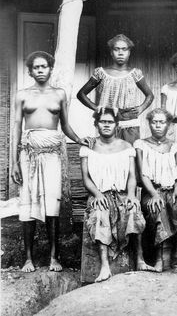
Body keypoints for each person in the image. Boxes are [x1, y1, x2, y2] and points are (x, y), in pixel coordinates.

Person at [11, 51, 90, 273]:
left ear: (50, 68)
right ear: (30, 71)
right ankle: (28, 259)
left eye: (44, 67)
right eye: (36, 67)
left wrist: (79, 139)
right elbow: (17, 127)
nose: (40, 71)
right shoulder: (22, 95)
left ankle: (54, 257)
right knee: (28, 206)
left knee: (52, 205)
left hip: (53, 153)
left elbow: (64, 125)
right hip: (29, 153)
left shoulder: (59, 94)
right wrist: (15, 162)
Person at [80, 107, 155, 282]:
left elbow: (131, 176)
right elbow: (86, 179)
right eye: (102, 122)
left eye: (110, 122)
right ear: (96, 124)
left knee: (134, 210)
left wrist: (131, 195)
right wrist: (98, 195)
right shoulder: (88, 147)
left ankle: (140, 259)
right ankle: (105, 266)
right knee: (99, 214)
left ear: (116, 125)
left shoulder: (126, 146)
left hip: (122, 193)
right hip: (99, 193)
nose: (106, 125)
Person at [134, 108, 177, 272]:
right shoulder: (141, 144)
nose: (158, 125)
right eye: (154, 122)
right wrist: (154, 194)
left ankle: (174, 254)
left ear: (168, 125)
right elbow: (143, 175)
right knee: (158, 209)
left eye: (162, 122)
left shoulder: (175, 147)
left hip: (172, 189)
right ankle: (159, 258)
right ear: (149, 124)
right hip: (151, 190)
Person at [77, 34, 154, 144]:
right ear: (111, 52)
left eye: (124, 49)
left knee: (130, 154)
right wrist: (96, 107)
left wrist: (141, 108)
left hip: (129, 123)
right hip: (108, 122)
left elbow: (150, 95)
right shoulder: (100, 73)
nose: (121, 53)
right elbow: (81, 94)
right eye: (116, 49)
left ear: (129, 52)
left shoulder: (135, 73)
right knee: (108, 154)